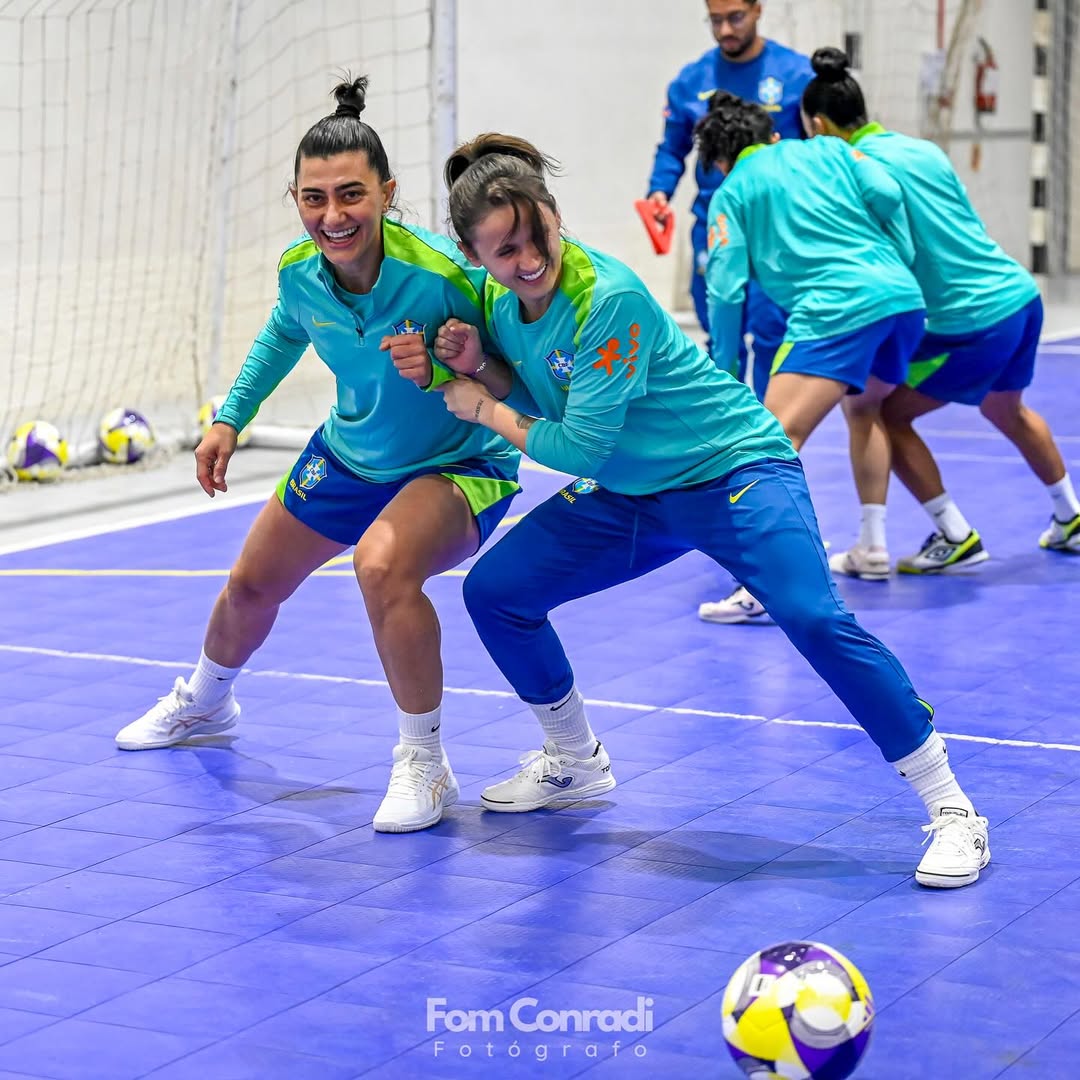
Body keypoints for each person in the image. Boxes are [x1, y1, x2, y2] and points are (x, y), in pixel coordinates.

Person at [418, 132, 988, 888]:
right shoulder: (498, 299)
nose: (527, 260)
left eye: (537, 237)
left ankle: (954, 811)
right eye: (502, 251)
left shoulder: (606, 297)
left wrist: (479, 401)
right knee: (495, 594)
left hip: (734, 472)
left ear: (556, 215)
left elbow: (578, 448)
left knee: (814, 618)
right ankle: (574, 761)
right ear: (476, 255)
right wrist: (477, 362)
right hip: (637, 494)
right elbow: (543, 394)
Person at [112, 77, 521, 835]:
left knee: (383, 566)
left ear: (389, 193)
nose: (333, 216)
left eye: (351, 195)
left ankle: (425, 765)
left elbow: (515, 371)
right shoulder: (299, 270)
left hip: (458, 464)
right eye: (313, 198)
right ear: (296, 199)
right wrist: (230, 419)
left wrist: (454, 367)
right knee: (250, 585)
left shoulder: (444, 276)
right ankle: (206, 701)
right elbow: (282, 333)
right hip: (352, 450)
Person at [801, 47, 1080, 574]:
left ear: (818, 125)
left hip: (967, 321)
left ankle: (954, 535)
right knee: (1006, 409)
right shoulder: (922, 149)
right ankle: (1070, 517)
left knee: (880, 411)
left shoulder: (854, 170)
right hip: (1019, 297)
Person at [692, 91, 925, 623]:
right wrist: (900, 260)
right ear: (771, 133)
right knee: (864, 411)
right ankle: (872, 545)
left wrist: (725, 370)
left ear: (721, 161)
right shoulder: (829, 149)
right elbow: (889, 191)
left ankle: (764, 587)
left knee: (765, 444)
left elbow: (726, 291)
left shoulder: (733, 191)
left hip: (834, 308)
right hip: (901, 299)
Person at [644, 0, 811, 397]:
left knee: (773, 334)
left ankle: (775, 434)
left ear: (758, 10)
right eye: (715, 20)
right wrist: (658, 193)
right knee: (722, 340)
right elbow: (672, 148)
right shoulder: (690, 80)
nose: (725, 31)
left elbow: (815, 148)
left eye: (735, 18)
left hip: (775, 231)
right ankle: (729, 439)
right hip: (715, 229)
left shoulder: (797, 75)